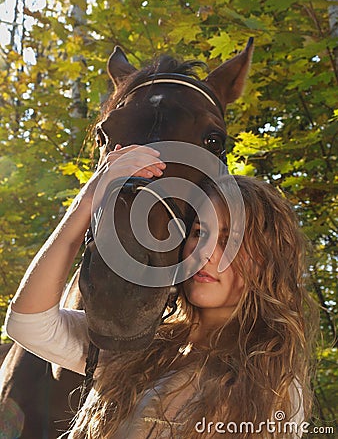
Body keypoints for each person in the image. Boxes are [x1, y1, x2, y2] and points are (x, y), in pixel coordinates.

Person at [5, 145, 317, 438]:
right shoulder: (139, 343)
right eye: (199, 232)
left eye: (229, 239)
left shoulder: (275, 388)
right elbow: (28, 323)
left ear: (270, 262)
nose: (204, 251)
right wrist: (87, 201)